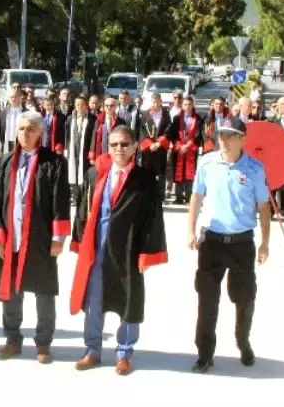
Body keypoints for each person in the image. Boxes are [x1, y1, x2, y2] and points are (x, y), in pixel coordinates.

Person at [69, 125, 168, 375]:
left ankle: (124, 352)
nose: (119, 149)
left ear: (135, 147)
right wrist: (79, 242)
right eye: (114, 145)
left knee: (129, 298)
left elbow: (153, 219)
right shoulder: (95, 174)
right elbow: (82, 210)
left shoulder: (145, 179)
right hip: (97, 249)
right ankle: (92, 349)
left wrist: (148, 252)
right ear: (108, 148)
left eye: (125, 144)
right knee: (93, 300)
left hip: (129, 250)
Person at [186, 117, 271, 374]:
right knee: (207, 299)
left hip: (241, 242)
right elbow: (196, 196)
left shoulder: (255, 169)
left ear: (242, 139)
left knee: (244, 297)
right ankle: (204, 353)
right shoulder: (206, 163)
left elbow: (263, 208)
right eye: (221, 134)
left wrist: (265, 243)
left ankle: (242, 340)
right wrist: (190, 230)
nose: (223, 140)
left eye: (230, 135)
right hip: (211, 241)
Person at [0, 111, 71, 364]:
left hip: (41, 238)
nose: (25, 133)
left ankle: (43, 342)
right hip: (11, 237)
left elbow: (60, 201)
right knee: (10, 291)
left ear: (41, 133)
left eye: (31, 129)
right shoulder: (4, 162)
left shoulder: (54, 163)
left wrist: (58, 238)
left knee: (44, 291)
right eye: (22, 128)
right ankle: (12, 338)